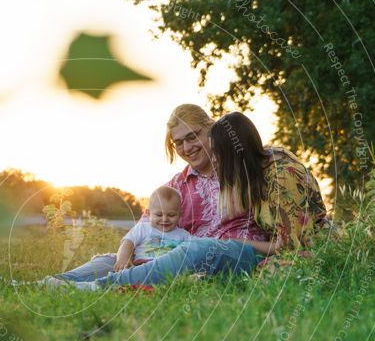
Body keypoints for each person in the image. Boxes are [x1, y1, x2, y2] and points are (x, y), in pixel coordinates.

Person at [63, 110, 330, 290]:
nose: (188, 147)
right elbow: (145, 227)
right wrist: (126, 250)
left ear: (211, 135)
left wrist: (232, 243)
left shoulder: (256, 171)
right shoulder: (177, 186)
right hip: (185, 252)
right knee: (123, 259)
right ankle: (57, 283)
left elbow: (292, 244)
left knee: (198, 249)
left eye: (194, 137)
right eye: (179, 142)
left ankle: (99, 287)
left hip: (229, 253)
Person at [42, 185, 192, 285]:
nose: (165, 219)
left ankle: (74, 286)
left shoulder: (183, 235)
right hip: (140, 267)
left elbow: (192, 252)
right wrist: (122, 259)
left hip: (166, 271)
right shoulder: (144, 228)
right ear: (147, 213)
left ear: (180, 215)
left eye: (171, 215)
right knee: (116, 279)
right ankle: (66, 285)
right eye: (159, 214)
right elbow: (128, 242)